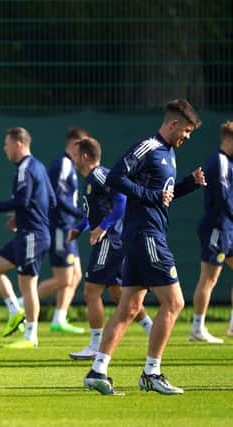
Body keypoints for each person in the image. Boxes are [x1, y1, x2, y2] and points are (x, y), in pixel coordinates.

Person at [84, 99, 204, 395]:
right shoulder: (148, 147)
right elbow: (116, 177)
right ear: (173, 123)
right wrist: (149, 196)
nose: (187, 137)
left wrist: (189, 183)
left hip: (144, 235)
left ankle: (97, 371)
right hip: (146, 236)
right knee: (174, 303)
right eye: (186, 130)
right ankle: (152, 373)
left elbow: (163, 196)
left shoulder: (169, 154)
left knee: (129, 308)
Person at [67, 137, 153, 360]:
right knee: (118, 294)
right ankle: (151, 329)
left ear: (85, 157)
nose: (73, 160)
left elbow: (121, 202)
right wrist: (80, 227)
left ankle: (96, 345)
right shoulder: (91, 179)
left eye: (75, 156)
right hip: (113, 238)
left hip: (110, 240)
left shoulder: (98, 175)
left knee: (91, 291)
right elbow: (99, 212)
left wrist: (102, 228)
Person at [0, 127, 56, 349]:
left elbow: (23, 199)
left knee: (28, 285)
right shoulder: (39, 167)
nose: (4, 149)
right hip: (29, 233)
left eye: (6, 144)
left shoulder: (26, 167)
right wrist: (19, 216)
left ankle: (31, 337)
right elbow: (50, 200)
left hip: (33, 235)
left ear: (18, 144)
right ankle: (15, 312)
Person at [27, 127, 87, 335]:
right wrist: (81, 212)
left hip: (68, 226)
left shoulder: (70, 165)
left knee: (76, 275)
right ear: (74, 145)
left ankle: (59, 318)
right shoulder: (63, 163)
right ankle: (22, 303)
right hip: (61, 227)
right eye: (83, 145)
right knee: (63, 279)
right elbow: (57, 198)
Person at [190, 120, 233, 343]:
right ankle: (197, 327)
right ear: (228, 139)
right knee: (209, 279)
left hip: (228, 228)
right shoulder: (219, 161)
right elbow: (223, 197)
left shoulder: (229, 162)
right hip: (217, 227)